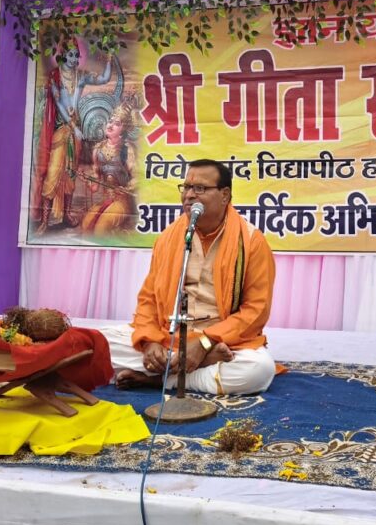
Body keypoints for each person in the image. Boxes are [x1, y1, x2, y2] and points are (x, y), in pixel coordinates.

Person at [103, 159, 276, 395]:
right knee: (97, 344)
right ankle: (185, 367)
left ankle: (162, 380)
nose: (189, 195)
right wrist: (150, 341)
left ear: (225, 195)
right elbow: (149, 299)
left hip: (221, 341)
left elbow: (255, 311)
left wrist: (204, 343)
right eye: (186, 187)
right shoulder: (168, 238)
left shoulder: (251, 242)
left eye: (200, 188)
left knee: (259, 369)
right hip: (169, 337)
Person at [34, 41, 114, 235]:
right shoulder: (55, 76)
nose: (73, 59)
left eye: (76, 55)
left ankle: (66, 215)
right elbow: (60, 105)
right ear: (63, 55)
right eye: (70, 55)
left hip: (75, 132)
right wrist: (72, 126)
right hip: (61, 129)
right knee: (53, 172)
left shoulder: (81, 76)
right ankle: (44, 220)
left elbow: (104, 78)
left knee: (71, 174)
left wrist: (110, 59)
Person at [80, 103, 137, 237]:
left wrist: (127, 188)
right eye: (110, 121)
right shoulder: (98, 149)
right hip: (106, 199)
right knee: (86, 225)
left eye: (116, 124)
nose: (110, 125)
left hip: (122, 201)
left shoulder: (127, 150)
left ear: (123, 129)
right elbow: (95, 186)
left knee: (101, 228)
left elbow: (137, 178)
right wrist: (87, 179)